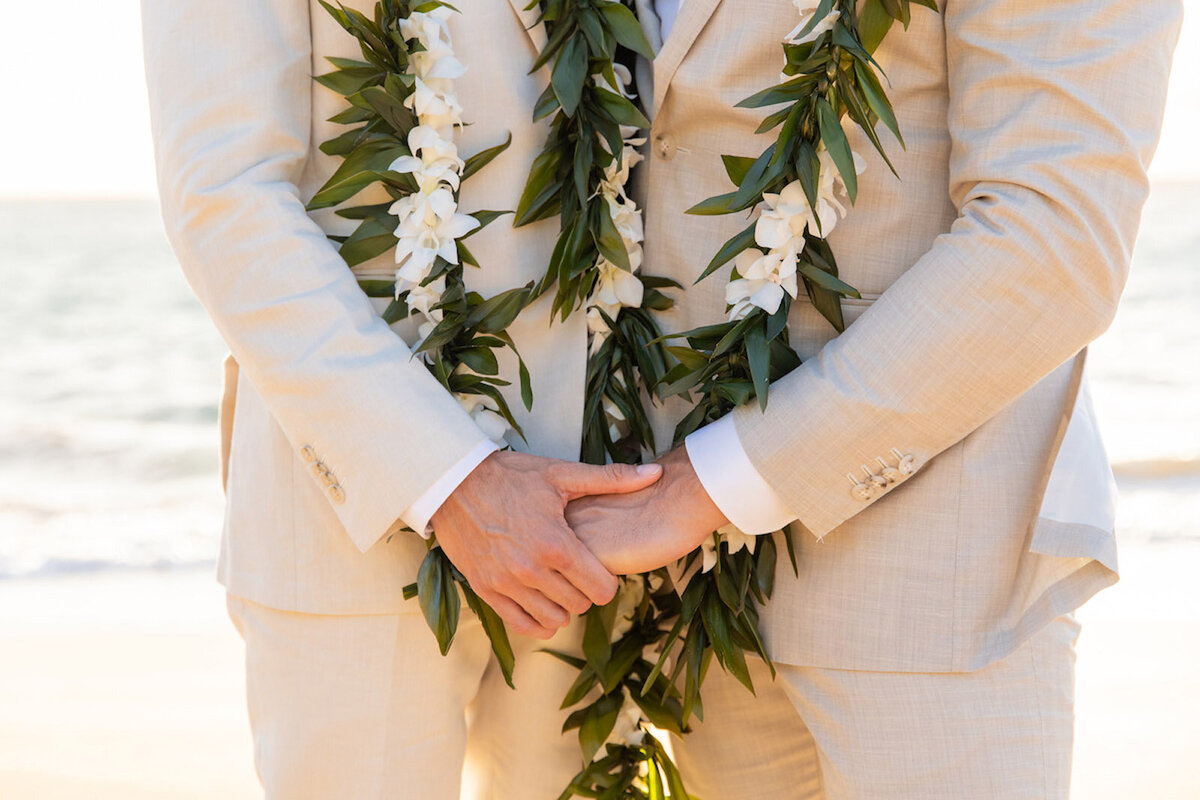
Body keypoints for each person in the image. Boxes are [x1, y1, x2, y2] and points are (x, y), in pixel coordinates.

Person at [141, 0, 1180, 797]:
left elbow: (1057, 227)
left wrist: (702, 488)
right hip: (410, 527)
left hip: (754, 548)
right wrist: (449, 475)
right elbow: (224, 187)